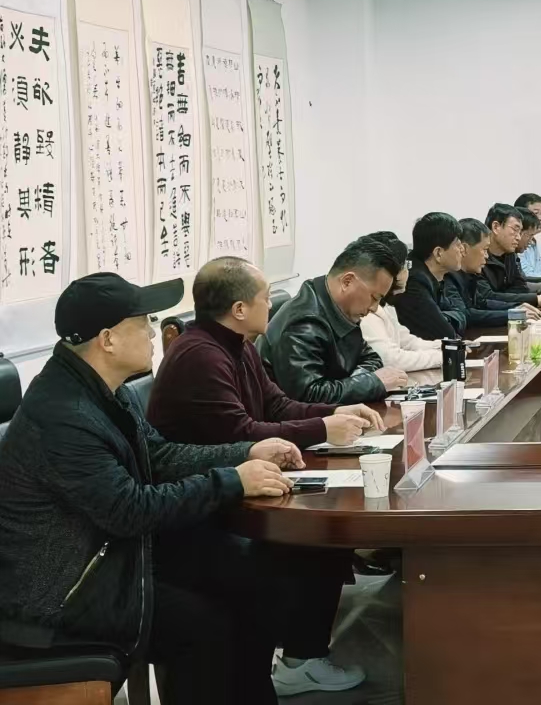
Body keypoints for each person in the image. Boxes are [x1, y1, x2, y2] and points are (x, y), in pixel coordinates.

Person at [0, 272, 301, 705]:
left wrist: (246, 453)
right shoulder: (64, 415)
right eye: (143, 322)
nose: (153, 331)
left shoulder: (102, 388)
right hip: (58, 598)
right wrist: (232, 481)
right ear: (108, 339)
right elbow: (130, 510)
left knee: (254, 579)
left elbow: (157, 456)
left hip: (107, 559)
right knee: (204, 626)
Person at [148, 256, 380, 696]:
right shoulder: (200, 355)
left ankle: (303, 657)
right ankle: (290, 664)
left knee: (327, 540)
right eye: (264, 298)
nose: (271, 306)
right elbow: (240, 433)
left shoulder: (240, 345)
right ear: (239, 309)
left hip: (238, 488)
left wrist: (336, 412)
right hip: (201, 507)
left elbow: (277, 406)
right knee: (295, 555)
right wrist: (322, 429)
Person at [259, 235, 407, 403]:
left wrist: (357, 382)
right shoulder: (303, 324)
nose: (374, 308)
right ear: (347, 282)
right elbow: (309, 396)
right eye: (374, 297)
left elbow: (371, 358)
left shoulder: (341, 310)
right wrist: (372, 383)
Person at [359, 233, 443, 378]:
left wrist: (447, 346)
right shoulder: (366, 310)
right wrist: (441, 357)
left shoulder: (387, 305)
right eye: (405, 266)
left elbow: (407, 342)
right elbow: (391, 360)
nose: (407, 272)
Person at [446, 217, 535, 329]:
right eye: (484, 249)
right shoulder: (448, 277)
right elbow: (465, 315)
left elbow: (482, 302)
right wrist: (511, 315)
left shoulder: (469, 274)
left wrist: (516, 307)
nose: (487, 256)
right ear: (464, 249)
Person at [393, 212, 468, 341]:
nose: (462, 249)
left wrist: (445, 317)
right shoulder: (414, 281)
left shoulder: (433, 276)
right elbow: (446, 334)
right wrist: (447, 318)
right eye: (457, 244)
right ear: (438, 253)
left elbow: (462, 313)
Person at [478, 203, 541, 309]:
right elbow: (487, 297)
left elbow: (520, 287)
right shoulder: (477, 256)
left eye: (520, 232)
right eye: (515, 230)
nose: (518, 237)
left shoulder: (510, 255)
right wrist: (537, 299)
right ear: (496, 227)